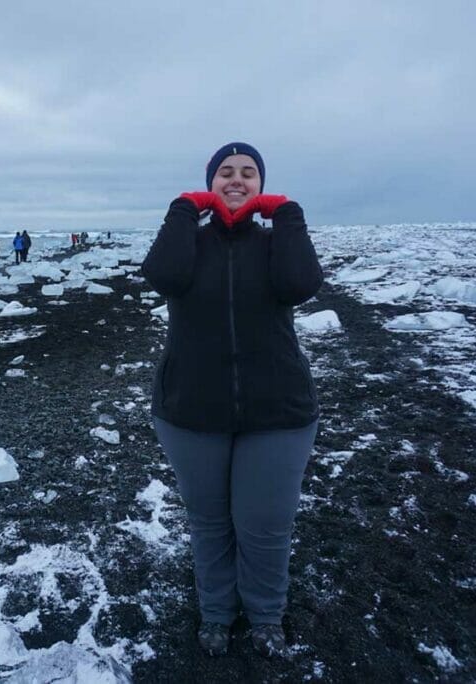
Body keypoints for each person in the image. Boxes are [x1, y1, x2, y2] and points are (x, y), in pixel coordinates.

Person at [141, 142, 323, 660]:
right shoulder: (188, 243)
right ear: (209, 182)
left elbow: (300, 283)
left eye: (248, 173)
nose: (236, 179)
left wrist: (287, 214)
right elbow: (164, 276)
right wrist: (183, 207)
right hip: (191, 411)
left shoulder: (274, 245)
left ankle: (265, 614)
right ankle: (216, 613)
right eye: (225, 172)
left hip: (278, 412)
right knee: (210, 521)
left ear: (262, 185)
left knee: (264, 524)